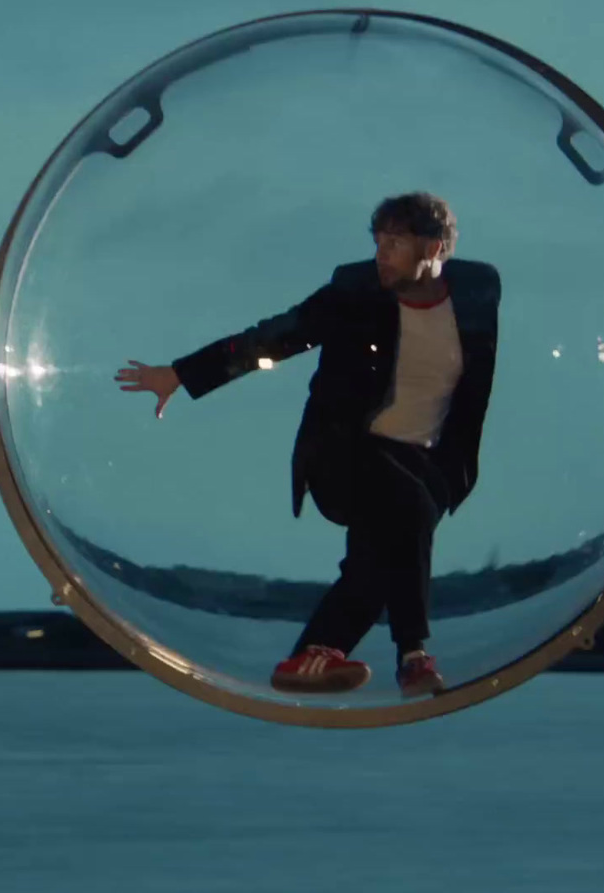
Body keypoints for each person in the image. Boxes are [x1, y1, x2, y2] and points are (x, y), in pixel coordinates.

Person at [114, 192, 500, 698]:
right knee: (406, 509)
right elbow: (276, 336)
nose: (382, 253)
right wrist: (183, 374)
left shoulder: (477, 290)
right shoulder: (354, 292)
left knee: (378, 560)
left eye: (396, 243)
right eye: (378, 241)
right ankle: (413, 656)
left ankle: (313, 654)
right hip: (345, 455)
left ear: (434, 248)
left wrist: (449, 472)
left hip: (423, 463)